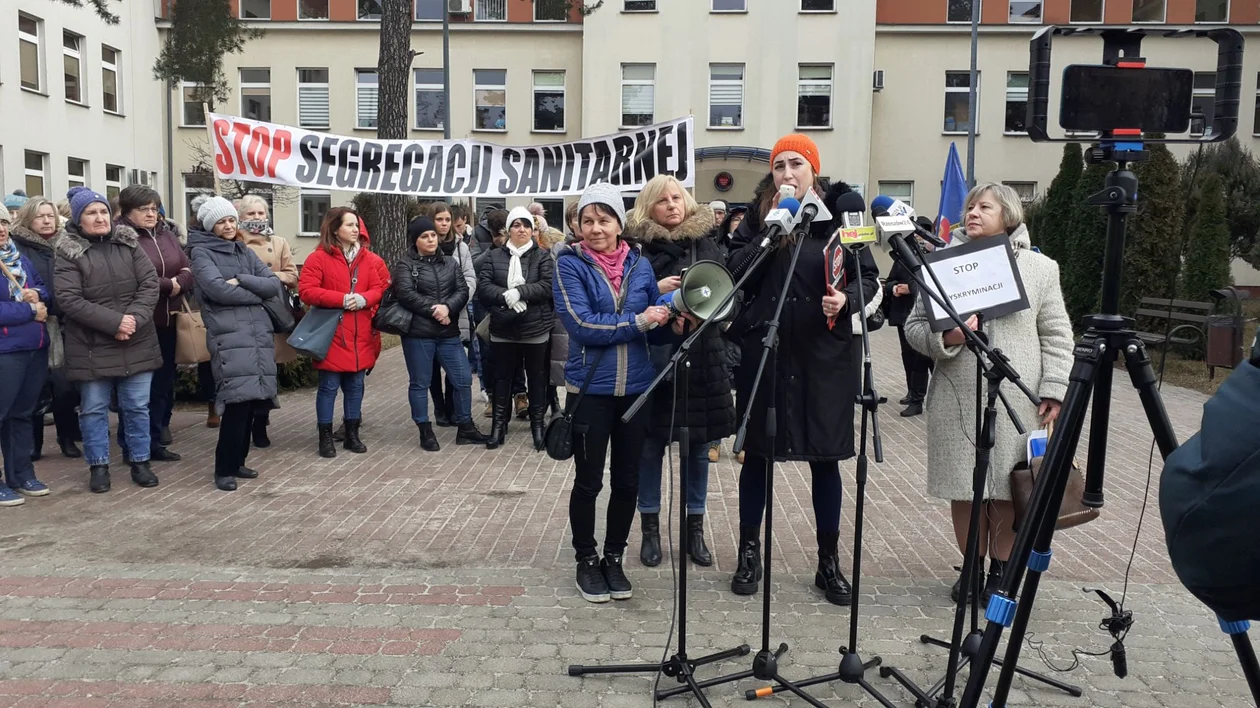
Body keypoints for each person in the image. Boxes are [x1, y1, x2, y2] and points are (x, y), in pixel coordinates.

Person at [724, 134, 880, 606]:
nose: (786, 173)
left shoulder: (842, 218)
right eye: (778, 166)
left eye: (796, 164)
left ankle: (827, 562)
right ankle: (750, 551)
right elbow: (735, 271)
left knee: (826, 459)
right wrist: (772, 234)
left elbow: (868, 276)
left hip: (823, 358)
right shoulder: (757, 218)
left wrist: (847, 298)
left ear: (814, 170)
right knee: (758, 457)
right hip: (767, 354)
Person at [905, 182, 1073, 604]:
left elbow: (1056, 335)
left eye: (985, 206)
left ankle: (1001, 569)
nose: (973, 213)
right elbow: (914, 327)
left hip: (1018, 397)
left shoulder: (1040, 269)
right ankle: (971, 568)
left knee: (1005, 488)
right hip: (956, 397)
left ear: (1009, 216)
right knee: (966, 488)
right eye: (970, 206)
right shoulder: (939, 264)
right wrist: (949, 339)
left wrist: (1054, 388)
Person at [555, 182, 671, 603]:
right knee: (588, 483)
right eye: (587, 220)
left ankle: (614, 558)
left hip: (636, 390)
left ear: (620, 223)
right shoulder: (569, 264)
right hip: (591, 390)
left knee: (627, 482)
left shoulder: (640, 264)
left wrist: (674, 313)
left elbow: (657, 311)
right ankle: (586, 560)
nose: (595, 228)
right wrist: (639, 322)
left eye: (604, 219)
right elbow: (582, 324)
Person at [626, 175, 734, 569]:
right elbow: (624, 301)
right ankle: (651, 529)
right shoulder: (636, 250)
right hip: (654, 358)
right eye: (662, 201)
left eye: (677, 198)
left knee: (697, 449)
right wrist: (657, 291)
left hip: (701, 356)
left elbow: (724, 296)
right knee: (651, 446)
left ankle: (694, 530)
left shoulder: (706, 244)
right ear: (648, 208)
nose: (672, 205)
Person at [52, 187, 162, 493]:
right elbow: (69, 300)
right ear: (78, 219)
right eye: (91, 213)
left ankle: (140, 461)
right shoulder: (68, 252)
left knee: (137, 407)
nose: (99, 218)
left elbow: (149, 284)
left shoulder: (128, 242)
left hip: (136, 340)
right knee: (93, 409)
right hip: (91, 346)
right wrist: (115, 323)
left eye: (102, 211)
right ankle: (98, 465)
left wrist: (133, 321)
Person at [187, 195, 285, 491]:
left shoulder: (242, 249)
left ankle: (239, 461)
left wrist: (242, 280)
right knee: (236, 403)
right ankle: (223, 469)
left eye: (231, 219)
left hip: (256, 334)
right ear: (209, 225)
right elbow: (217, 291)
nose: (229, 225)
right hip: (229, 335)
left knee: (254, 402)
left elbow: (272, 283)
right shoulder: (201, 253)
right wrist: (256, 292)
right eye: (221, 221)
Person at [298, 207, 391, 458]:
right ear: (335, 229)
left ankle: (352, 433)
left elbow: (380, 289)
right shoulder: (318, 258)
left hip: (360, 332)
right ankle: (325, 436)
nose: (356, 230)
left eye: (356, 225)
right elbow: (306, 290)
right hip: (332, 334)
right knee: (328, 386)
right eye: (349, 225)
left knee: (355, 385)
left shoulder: (370, 260)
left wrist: (363, 299)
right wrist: (340, 299)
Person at [394, 215, 489, 451]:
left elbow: (462, 290)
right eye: (424, 236)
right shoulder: (406, 264)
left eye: (433, 235)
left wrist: (448, 308)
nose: (430, 240)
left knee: (463, 379)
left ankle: (465, 426)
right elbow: (405, 293)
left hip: (448, 332)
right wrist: (434, 310)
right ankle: (424, 429)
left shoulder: (450, 263)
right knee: (420, 382)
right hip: (418, 334)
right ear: (415, 240)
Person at [116, 186, 191, 461]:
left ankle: (155, 441)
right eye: (144, 209)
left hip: (168, 320)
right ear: (127, 212)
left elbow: (187, 267)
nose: (151, 214)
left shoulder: (166, 234)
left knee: (162, 384)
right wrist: (167, 285)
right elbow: (131, 276)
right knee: (136, 390)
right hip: (138, 323)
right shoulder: (121, 238)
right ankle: (132, 446)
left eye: (154, 208)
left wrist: (178, 283)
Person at [477, 206, 554, 450]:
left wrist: (519, 292)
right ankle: (498, 427)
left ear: (533, 230)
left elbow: (547, 286)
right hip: (503, 328)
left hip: (535, 329)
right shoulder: (494, 256)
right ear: (508, 229)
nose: (521, 229)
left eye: (526, 225)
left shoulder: (542, 256)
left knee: (537, 379)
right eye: (516, 225)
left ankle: (538, 427)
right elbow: (484, 288)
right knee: (502, 379)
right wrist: (505, 297)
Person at [10, 197, 81, 459]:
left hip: (66, 323)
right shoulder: (17, 249)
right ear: (29, 219)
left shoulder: (68, 245)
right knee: (36, 387)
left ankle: (66, 438)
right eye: (40, 216)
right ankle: (34, 443)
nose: (47, 220)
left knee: (65, 387)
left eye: (50, 215)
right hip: (35, 323)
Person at [237, 194, 298, 448]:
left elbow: (293, 275)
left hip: (273, 312)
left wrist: (265, 280)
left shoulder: (279, 242)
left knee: (268, 371)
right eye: (250, 214)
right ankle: (246, 421)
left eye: (260, 213)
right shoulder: (235, 241)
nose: (256, 218)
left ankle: (261, 423)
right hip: (244, 313)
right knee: (249, 371)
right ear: (241, 217)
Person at [0, 207, 52, 504]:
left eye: (4, 222)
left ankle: (21, 474)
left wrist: (40, 296)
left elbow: (44, 289)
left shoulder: (18, 256)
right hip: (5, 350)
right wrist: (30, 310)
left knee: (21, 414)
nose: (1, 229)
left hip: (34, 346)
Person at [425, 202, 476, 428]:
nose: (444, 224)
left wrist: (452, 304)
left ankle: (453, 405)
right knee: (432, 366)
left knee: (456, 366)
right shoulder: (422, 244)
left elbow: (470, 280)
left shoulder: (460, 247)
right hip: (428, 316)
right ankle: (439, 407)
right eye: (439, 220)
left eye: (447, 220)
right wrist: (433, 307)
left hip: (456, 314)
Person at [709, 205, 747, 464]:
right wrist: (723, 321)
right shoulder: (717, 248)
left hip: (746, 328)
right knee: (718, 387)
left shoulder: (755, 248)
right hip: (722, 328)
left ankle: (743, 442)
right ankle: (715, 441)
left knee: (745, 388)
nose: (739, 222)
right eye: (736, 218)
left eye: (744, 219)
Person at [885, 238, 935, 417]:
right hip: (903, 315)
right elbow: (889, 282)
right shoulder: (901, 259)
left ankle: (922, 398)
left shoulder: (933, 257)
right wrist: (895, 288)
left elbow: (929, 284)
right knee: (909, 357)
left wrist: (911, 289)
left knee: (926, 359)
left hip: (927, 316)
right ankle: (912, 393)